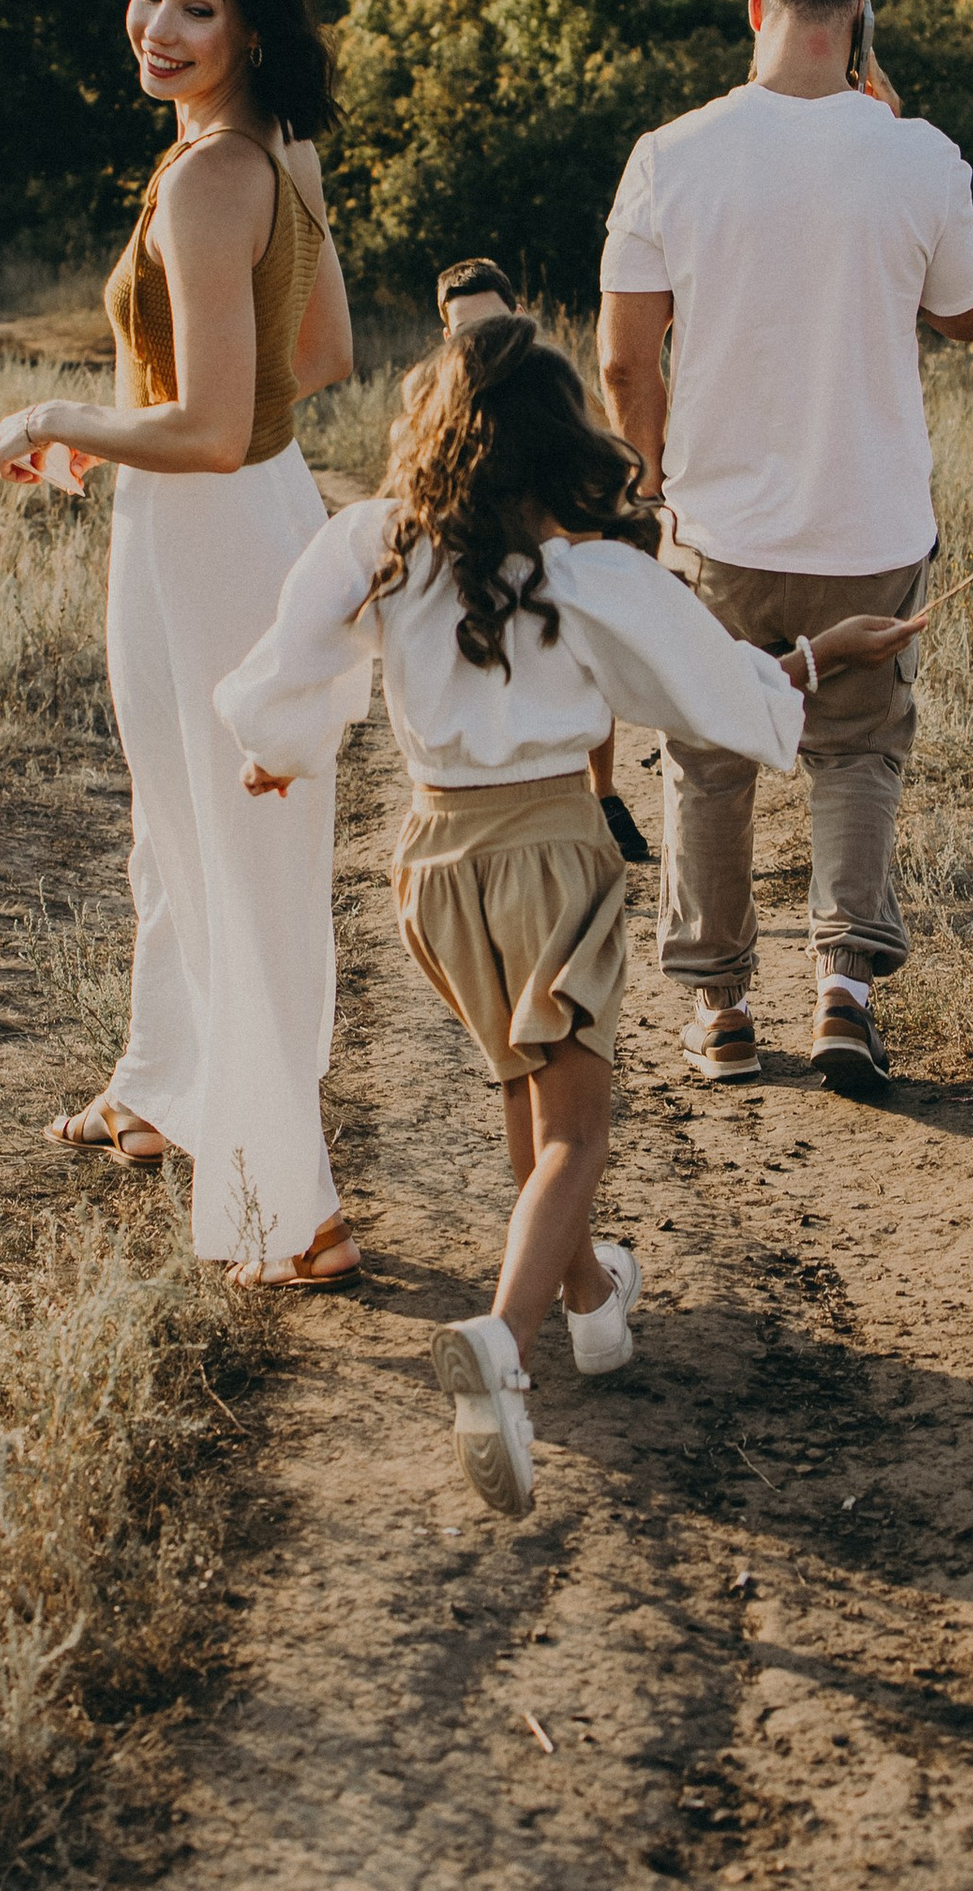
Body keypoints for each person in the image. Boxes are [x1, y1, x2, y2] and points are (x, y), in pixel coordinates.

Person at [215, 320, 919, 1516]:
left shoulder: (377, 547)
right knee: (573, 1137)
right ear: (553, 446)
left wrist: (274, 753)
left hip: (432, 867)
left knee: (523, 1091)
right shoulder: (590, 578)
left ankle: (591, 1300)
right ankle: (501, 1345)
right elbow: (706, 685)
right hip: (547, 850)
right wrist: (814, 658)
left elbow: (287, 666)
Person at [0, 0, 359, 1281]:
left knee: (237, 863)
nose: (158, 26)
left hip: (210, 533)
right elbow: (313, 359)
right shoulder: (272, 148)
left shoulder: (211, 182)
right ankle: (166, 1089)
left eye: (197, 5)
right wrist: (149, 435)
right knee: (182, 833)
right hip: (236, 516)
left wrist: (60, 421)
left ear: (253, 24)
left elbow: (208, 419)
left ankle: (291, 1207)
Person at [597, 0, 973, 1106]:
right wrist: (895, 134)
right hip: (871, 522)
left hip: (718, 525)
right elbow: (971, 310)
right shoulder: (916, 153)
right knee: (855, 750)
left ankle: (721, 1011)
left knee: (712, 755)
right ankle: (843, 993)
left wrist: (655, 487)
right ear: (860, 13)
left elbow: (627, 361)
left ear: (754, 2)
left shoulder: (670, 152)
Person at [434, 256, 652, 871]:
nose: (488, 341)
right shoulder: (439, 406)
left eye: (497, 323)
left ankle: (602, 794)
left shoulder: (553, 385)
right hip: (479, 554)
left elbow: (594, 458)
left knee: (579, 643)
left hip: (554, 538)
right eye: (470, 330)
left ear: (521, 318)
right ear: (448, 337)